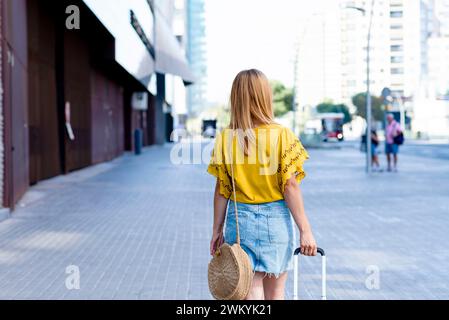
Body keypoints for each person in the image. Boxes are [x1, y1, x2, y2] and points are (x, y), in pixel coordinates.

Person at [207, 69, 317, 300]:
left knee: (249, 294)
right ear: (264, 96)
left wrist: (216, 230)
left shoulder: (226, 138)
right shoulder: (282, 136)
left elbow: (222, 190)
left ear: (236, 97)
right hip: (275, 222)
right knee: (276, 294)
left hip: (240, 223)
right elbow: (290, 187)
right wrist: (305, 230)